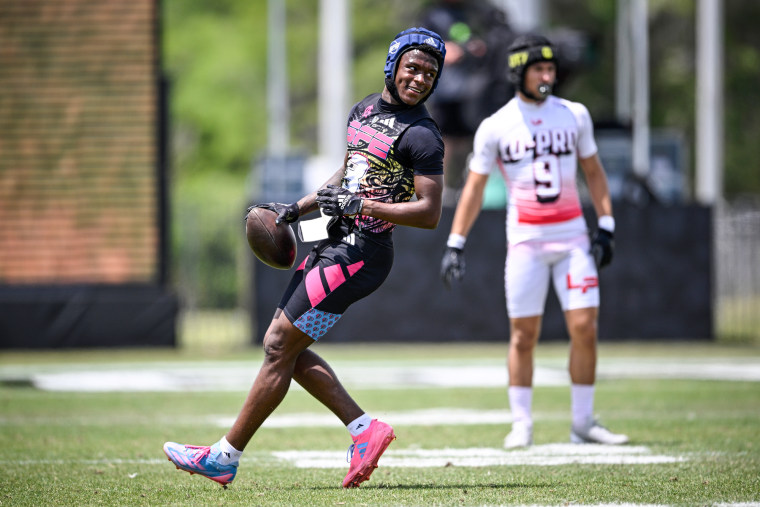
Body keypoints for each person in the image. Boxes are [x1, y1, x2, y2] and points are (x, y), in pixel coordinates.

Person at [163, 27, 447, 489]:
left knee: (279, 344)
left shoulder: (424, 136)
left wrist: (365, 207)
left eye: (430, 74)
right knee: (285, 349)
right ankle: (364, 429)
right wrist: (294, 209)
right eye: (413, 68)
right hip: (335, 242)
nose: (420, 79)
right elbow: (350, 171)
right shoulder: (363, 111)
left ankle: (224, 456)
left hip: (360, 253)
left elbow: (430, 213)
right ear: (393, 65)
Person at [440, 34, 628, 448]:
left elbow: (593, 172)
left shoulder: (574, 114)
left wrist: (607, 223)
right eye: (539, 69)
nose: (548, 76)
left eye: (551, 69)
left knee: (585, 327)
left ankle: (583, 421)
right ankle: (521, 422)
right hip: (525, 242)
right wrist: (456, 241)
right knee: (523, 335)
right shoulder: (496, 125)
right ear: (518, 73)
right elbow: (473, 188)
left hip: (573, 238)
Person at [417, 0, 514, 206]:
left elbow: (478, 42)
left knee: (467, 140)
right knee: (444, 141)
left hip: (470, 91)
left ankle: (459, 189)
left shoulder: (470, 14)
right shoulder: (434, 16)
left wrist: (475, 48)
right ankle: (435, 192)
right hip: (446, 91)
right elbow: (423, 45)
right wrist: (445, 50)